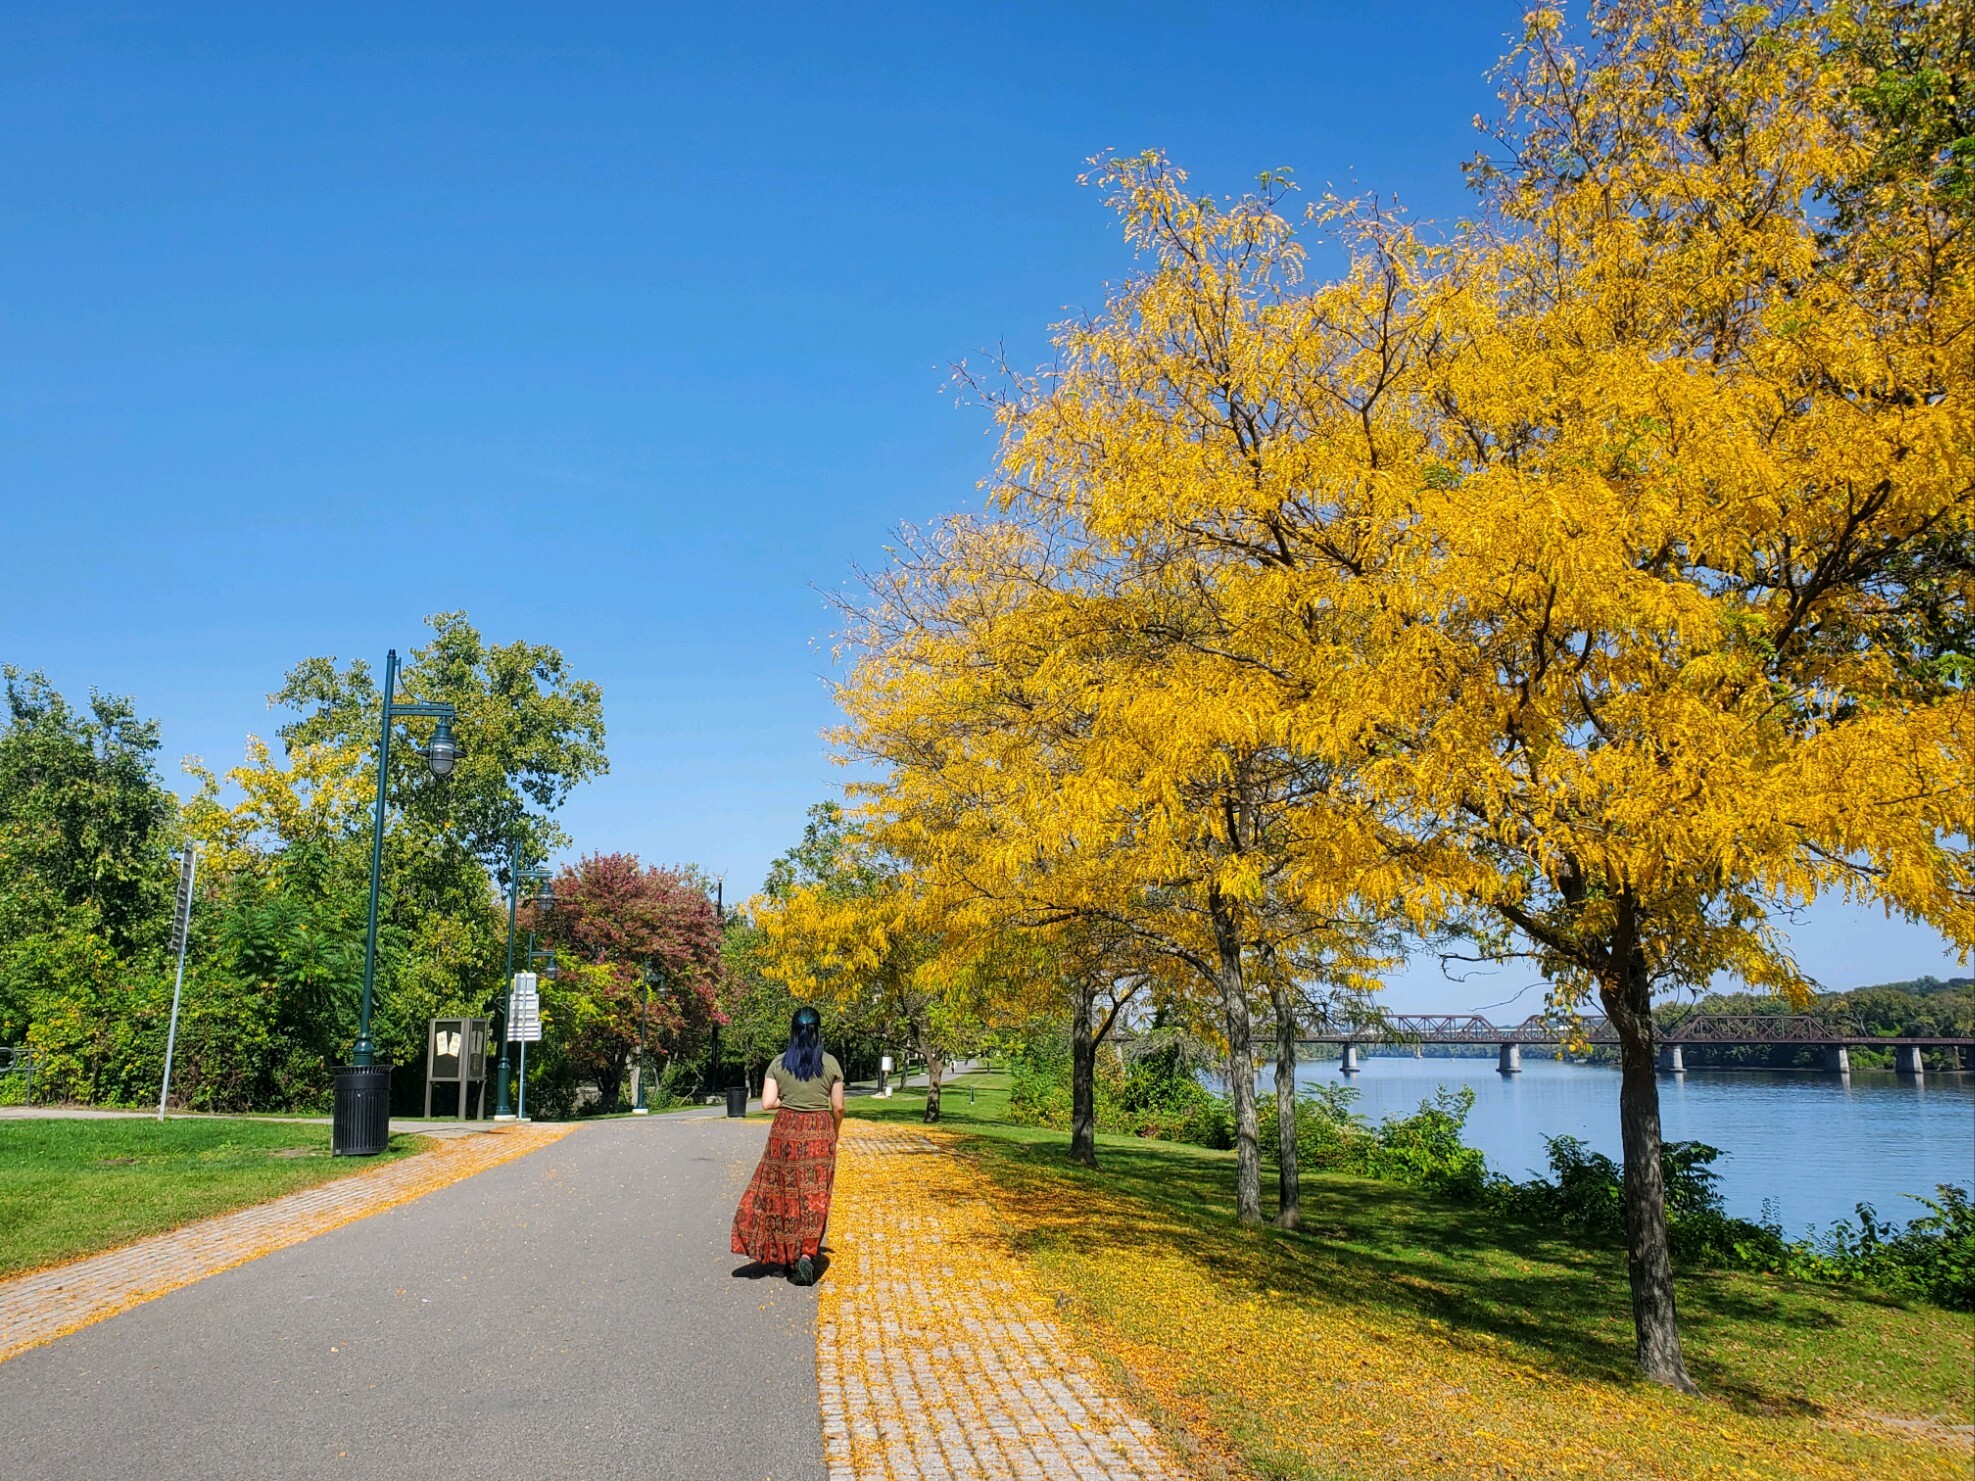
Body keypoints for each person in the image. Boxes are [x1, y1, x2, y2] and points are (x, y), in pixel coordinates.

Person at [730, 1005, 845, 1285]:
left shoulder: (778, 1063)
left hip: (785, 1131)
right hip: (819, 1131)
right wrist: (834, 1131)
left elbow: (767, 1103)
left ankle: (783, 1254)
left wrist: (791, 1102)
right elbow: (838, 1107)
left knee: (783, 1191)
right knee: (814, 1195)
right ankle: (806, 1255)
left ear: (793, 1032)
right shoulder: (830, 1063)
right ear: (817, 1031)